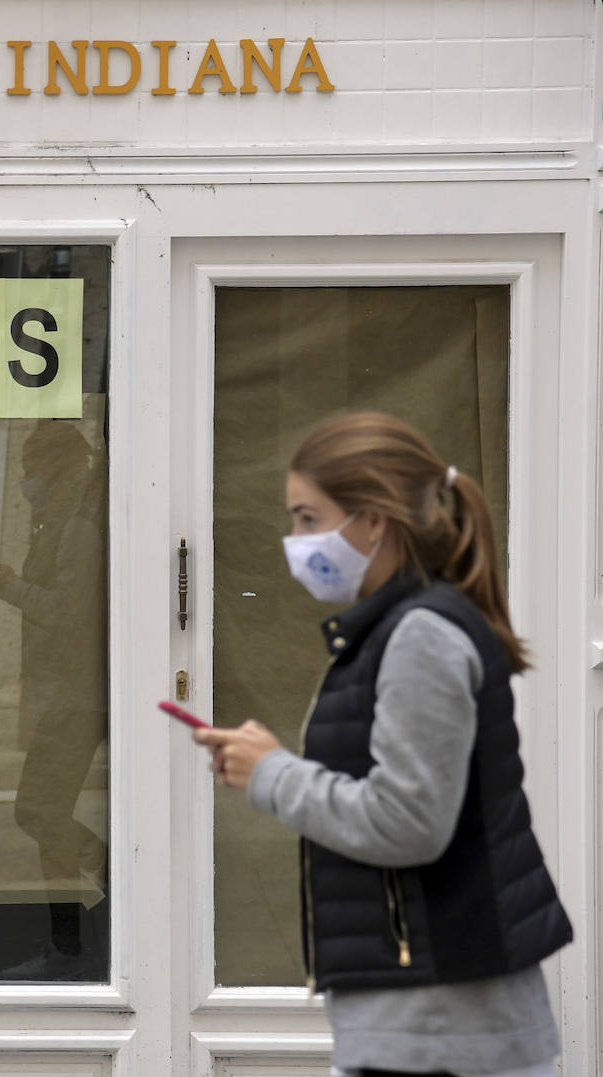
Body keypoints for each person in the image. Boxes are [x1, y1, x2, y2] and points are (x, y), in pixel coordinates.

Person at [194, 412, 572, 1077]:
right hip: (429, 1021)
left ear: (374, 520)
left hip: (440, 1028)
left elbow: (409, 821)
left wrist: (273, 773)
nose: (295, 540)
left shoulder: (419, 636)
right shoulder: (399, 628)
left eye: (309, 518)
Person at [0, 421, 108, 979]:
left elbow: (68, 610)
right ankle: (83, 925)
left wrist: (9, 589)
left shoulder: (78, 524)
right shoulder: (70, 517)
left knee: (39, 809)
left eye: (31, 469)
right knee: (44, 810)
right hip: (77, 690)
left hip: (79, 692)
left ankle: (79, 932)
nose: (26, 480)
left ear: (56, 470)